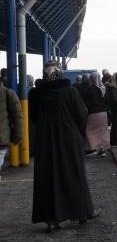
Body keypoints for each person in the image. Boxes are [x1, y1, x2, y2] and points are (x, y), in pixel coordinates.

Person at [29, 60, 100, 233]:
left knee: (47, 177)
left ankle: (52, 220)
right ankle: (83, 213)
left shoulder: (35, 93)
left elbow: (33, 116)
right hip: (69, 137)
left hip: (45, 139)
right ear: (60, 73)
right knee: (74, 174)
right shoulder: (70, 91)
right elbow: (82, 114)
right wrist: (72, 128)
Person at [0, 79, 23, 181]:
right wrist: (17, 137)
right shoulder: (8, 93)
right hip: (2, 138)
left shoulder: (8, 93)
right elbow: (17, 117)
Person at [83, 72, 110, 157]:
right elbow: (107, 100)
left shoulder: (91, 88)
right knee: (103, 132)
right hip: (104, 112)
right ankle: (102, 150)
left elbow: (86, 100)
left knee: (89, 131)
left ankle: (91, 149)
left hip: (93, 112)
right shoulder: (104, 88)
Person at [105, 73, 117, 147]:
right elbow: (114, 99)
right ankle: (114, 141)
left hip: (110, 108)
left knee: (113, 125)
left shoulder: (107, 87)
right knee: (115, 125)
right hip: (114, 108)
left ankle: (113, 140)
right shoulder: (113, 88)